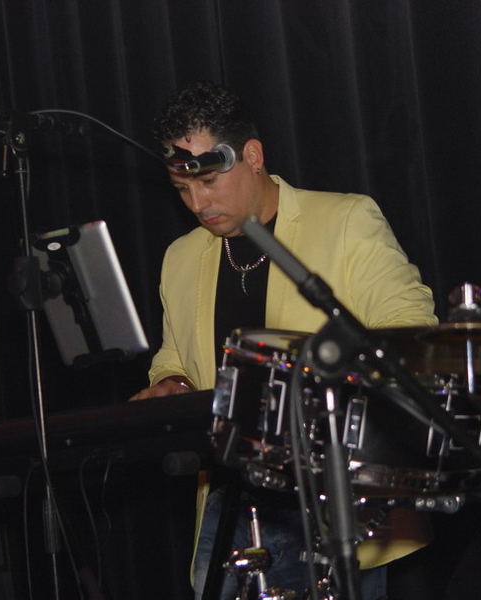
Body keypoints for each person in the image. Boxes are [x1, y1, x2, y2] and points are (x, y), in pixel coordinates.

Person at [131, 81, 438, 600]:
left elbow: (410, 329)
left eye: (208, 181)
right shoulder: (180, 257)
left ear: (252, 156)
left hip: (335, 505)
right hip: (228, 505)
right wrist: (173, 383)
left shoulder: (345, 220)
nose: (198, 203)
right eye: (181, 189)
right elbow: (173, 357)